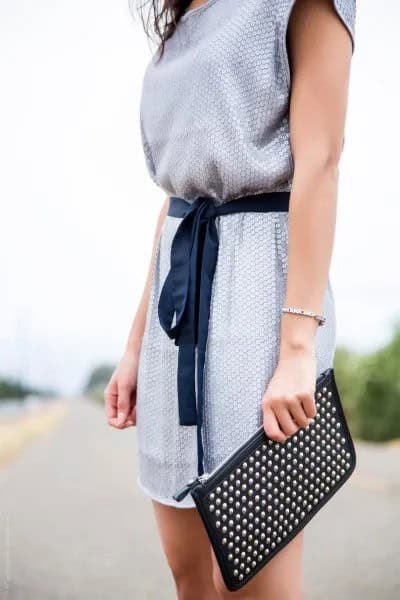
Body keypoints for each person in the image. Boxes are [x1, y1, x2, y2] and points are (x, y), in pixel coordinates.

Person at [104, 0, 356, 597]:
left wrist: (298, 344)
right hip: (179, 311)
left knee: (251, 582)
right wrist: (136, 347)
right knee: (189, 576)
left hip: (262, 297)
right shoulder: (177, 28)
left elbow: (320, 161)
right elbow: (175, 203)